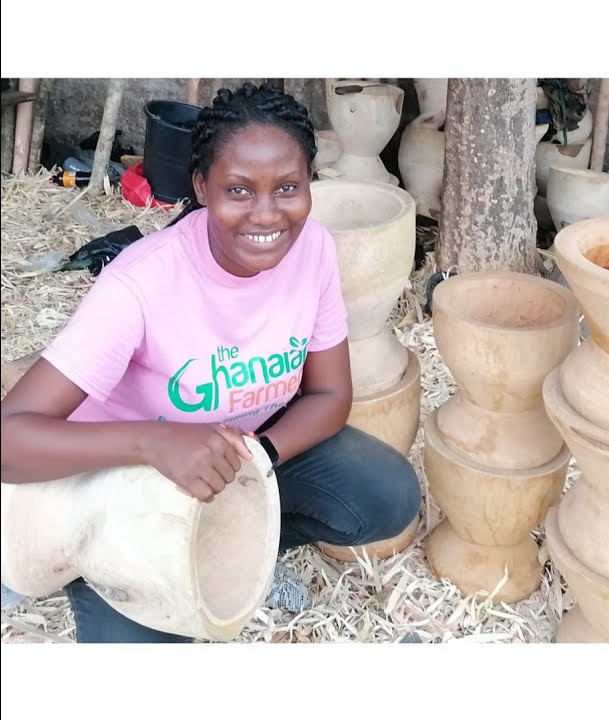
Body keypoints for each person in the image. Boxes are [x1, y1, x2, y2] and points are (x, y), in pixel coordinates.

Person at [0, 83, 421, 643]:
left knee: (386, 496)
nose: (267, 213)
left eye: (288, 187)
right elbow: (9, 440)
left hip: (231, 458)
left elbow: (330, 397)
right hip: (119, 483)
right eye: (238, 190)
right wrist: (154, 443)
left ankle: (233, 546)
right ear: (202, 186)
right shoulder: (141, 284)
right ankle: (91, 557)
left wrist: (252, 468)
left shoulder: (313, 249)